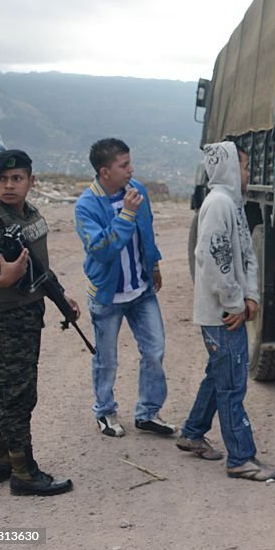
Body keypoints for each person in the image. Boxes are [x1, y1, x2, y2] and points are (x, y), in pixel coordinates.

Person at [0, 150, 77, 495]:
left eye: (17, 179)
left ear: (30, 181)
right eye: (1, 180)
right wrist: (0, 279)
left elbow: (40, 267)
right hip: (1, 320)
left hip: (27, 317)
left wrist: (62, 298)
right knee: (18, 396)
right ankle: (24, 473)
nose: (9, 185)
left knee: (7, 392)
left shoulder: (30, 216)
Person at [178, 141, 275, 481]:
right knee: (232, 385)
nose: (249, 174)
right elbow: (215, 261)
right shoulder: (219, 204)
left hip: (229, 309)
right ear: (229, 170)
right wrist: (236, 304)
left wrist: (250, 297)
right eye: (245, 167)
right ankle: (240, 457)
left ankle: (192, 433)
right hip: (222, 315)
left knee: (218, 374)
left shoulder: (233, 203)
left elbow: (247, 254)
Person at [75, 138, 173, 438]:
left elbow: (147, 232)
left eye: (130, 162)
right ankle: (104, 412)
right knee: (107, 359)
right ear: (105, 171)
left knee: (155, 351)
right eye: (124, 165)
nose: (131, 170)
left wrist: (153, 265)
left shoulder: (137, 191)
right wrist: (127, 214)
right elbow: (103, 250)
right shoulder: (86, 206)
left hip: (141, 290)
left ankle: (148, 413)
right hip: (108, 296)